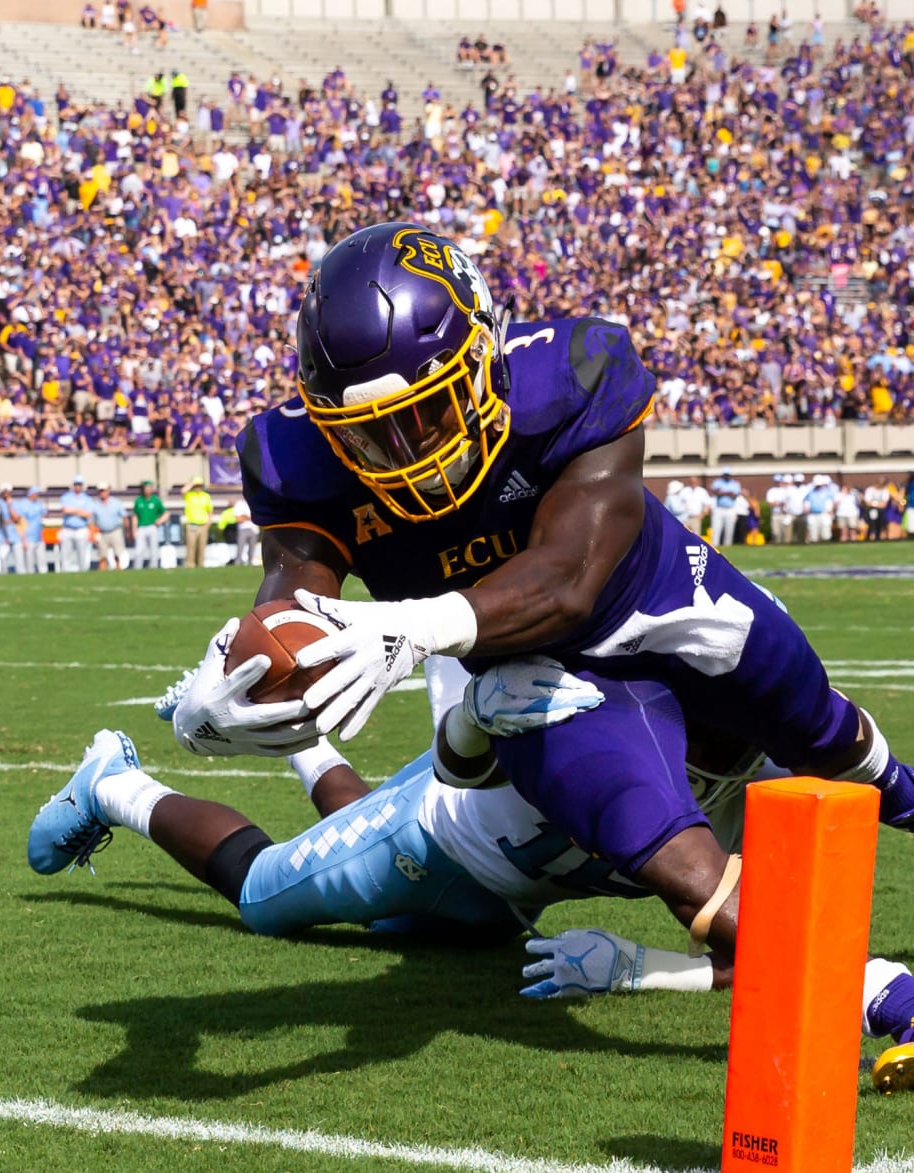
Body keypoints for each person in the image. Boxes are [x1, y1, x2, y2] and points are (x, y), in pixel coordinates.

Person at [168, 221, 914, 979]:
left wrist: (414, 626)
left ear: (487, 352)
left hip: (658, 608)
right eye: (372, 434)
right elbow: (296, 604)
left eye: (428, 409)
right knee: (666, 854)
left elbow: (570, 578)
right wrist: (249, 679)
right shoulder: (297, 456)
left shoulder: (572, 374)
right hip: (533, 689)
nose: (408, 451)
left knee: (826, 732)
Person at [28, 658, 914, 1093]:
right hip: (437, 833)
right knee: (266, 897)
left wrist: (644, 970)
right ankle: (115, 781)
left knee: (387, 899)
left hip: (504, 902)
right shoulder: (604, 726)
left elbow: (773, 946)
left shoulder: (767, 778)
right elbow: (461, 764)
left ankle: (307, 745)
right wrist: (887, 992)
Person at [59, 476, 94, 572]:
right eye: (76, 484)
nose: (77, 486)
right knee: (66, 554)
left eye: (79, 484)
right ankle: (65, 571)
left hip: (81, 528)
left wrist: (73, 511)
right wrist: (78, 511)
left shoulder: (87, 499)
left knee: (82, 553)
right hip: (68, 528)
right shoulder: (66, 497)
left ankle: (83, 571)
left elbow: (88, 514)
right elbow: (65, 510)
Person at [12, 485, 49, 574]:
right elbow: (20, 523)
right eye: (36, 493)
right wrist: (23, 538)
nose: (37, 495)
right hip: (28, 537)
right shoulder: (22, 505)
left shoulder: (38, 504)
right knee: (29, 562)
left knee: (42, 560)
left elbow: (44, 514)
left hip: (39, 537)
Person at [91, 483, 127, 570]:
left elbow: (124, 517)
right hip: (102, 532)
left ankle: (118, 570)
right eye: (100, 491)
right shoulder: (95, 504)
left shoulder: (116, 502)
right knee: (102, 555)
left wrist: (126, 531)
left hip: (115, 530)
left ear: (108, 491)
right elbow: (91, 520)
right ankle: (103, 573)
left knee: (118, 554)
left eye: (104, 491)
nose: (102, 493)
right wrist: (93, 534)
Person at [132, 479, 166, 568]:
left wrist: (159, 521)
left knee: (154, 549)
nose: (147, 489)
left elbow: (166, 513)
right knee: (139, 550)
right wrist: (134, 530)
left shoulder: (156, 500)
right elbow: (135, 516)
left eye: (149, 488)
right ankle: (137, 567)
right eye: (145, 488)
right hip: (141, 527)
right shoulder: (138, 500)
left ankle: (154, 567)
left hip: (152, 526)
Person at [182, 475, 214, 567]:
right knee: (191, 546)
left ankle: (201, 564)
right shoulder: (189, 495)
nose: (197, 487)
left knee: (201, 546)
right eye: (196, 485)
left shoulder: (206, 496)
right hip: (192, 524)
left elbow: (210, 510)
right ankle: (190, 564)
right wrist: (192, 483)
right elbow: (183, 491)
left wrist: (209, 521)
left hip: (203, 524)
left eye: (199, 485)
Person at [709, 469, 740, 547]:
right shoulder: (717, 482)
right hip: (719, 508)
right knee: (716, 528)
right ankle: (714, 545)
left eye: (728, 475)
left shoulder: (735, 484)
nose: (727, 476)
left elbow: (735, 495)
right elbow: (716, 492)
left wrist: (723, 492)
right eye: (725, 475)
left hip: (730, 509)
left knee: (729, 529)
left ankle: (728, 545)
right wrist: (728, 492)